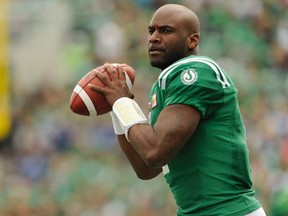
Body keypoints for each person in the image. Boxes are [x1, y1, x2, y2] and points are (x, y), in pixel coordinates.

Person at [89, 3, 266, 216]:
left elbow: (155, 152)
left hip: (228, 211)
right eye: (151, 30)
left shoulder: (196, 71)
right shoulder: (166, 83)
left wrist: (122, 102)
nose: (154, 37)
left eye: (166, 30)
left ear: (192, 40)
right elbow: (146, 168)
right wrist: (116, 109)